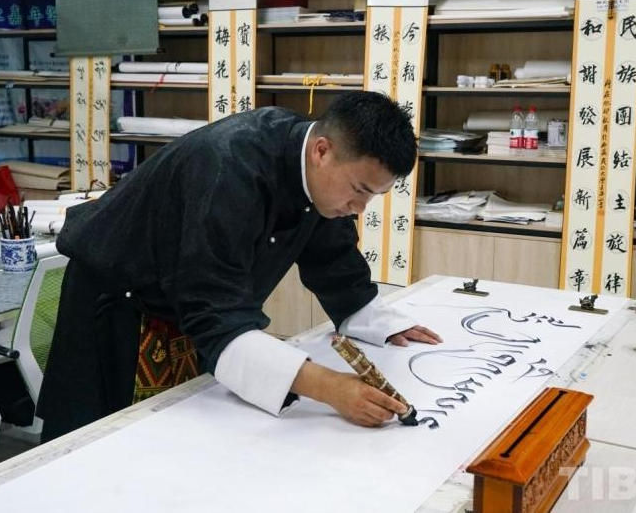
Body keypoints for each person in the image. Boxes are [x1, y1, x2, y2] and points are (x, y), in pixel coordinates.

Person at [37, 91, 441, 441]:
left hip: (189, 305)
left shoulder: (318, 175)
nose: (359, 208)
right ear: (322, 151)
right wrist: (330, 387)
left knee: (188, 437)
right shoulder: (228, 167)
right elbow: (218, 315)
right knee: (111, 445)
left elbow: (333, 260)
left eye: (372, 197)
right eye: (359, 191)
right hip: (121, 304)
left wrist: (379, 322)